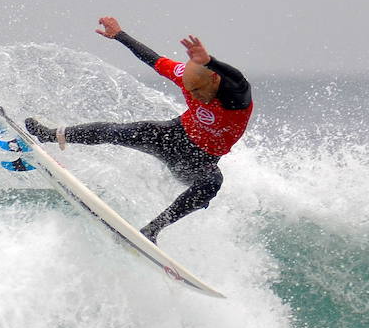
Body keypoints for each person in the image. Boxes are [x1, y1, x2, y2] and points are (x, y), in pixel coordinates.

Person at [24, 16, 254, 242]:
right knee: (116, 132)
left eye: (198, 92)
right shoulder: (184, 75)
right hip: (173, 135)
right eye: (189, 90)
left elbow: (239, 79)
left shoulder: (235, 98)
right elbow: (152, 59)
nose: (193, 96)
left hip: (199, 160)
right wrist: (119, 35)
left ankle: (153, 230)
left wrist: (210, 60)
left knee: (211, 183)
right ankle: (50, 135)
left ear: (214, 81)